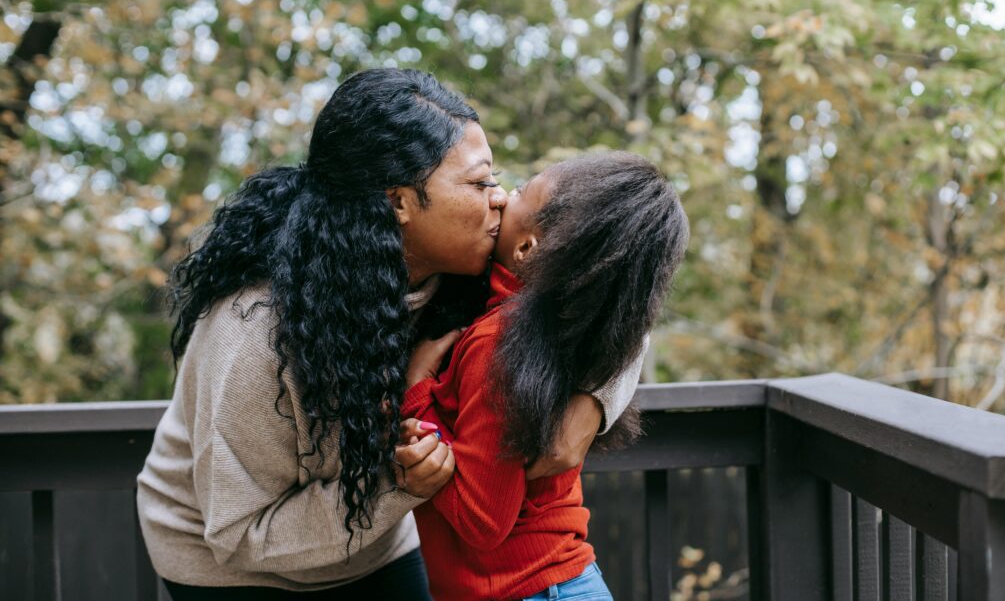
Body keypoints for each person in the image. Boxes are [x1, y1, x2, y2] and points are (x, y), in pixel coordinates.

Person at [136, 69, 642, 599]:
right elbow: (238, 532)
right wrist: (395, 487)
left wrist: (593, 401)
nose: (499, 199)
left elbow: (612, 289)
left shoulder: (461, 272)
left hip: (376, 539)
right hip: (235, 568)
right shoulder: (256, 331)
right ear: (399, 202)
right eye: (478, 183)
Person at [401, 152, 689, 601]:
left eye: (515, 192)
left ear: (527, 249)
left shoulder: (496, 341)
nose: (498, 196)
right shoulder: (555, 325)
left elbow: (483, 521)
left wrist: (417, 391)